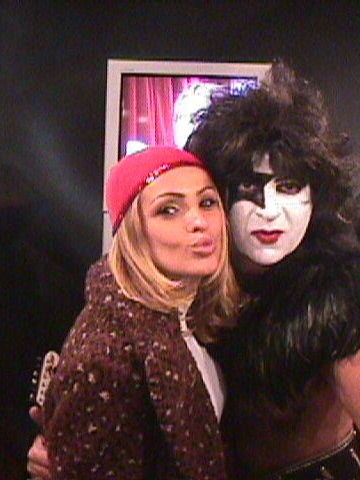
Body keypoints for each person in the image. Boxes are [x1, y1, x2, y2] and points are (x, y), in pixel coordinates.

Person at [29, 65, 360, 479]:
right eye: (248, 188)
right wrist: (76, 449)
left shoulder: (332, 307)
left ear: (316, 196)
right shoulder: (192, 291)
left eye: (288, 186)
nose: (269, 210)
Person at [29, 145, 239, 479]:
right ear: (132, 233)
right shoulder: (106, 356)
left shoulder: (189, 316)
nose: (199, 221)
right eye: (169, 210)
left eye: (207, 202)